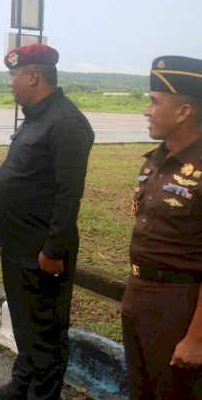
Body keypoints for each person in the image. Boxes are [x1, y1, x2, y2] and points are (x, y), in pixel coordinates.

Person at [0, 44, 94, 400]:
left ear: (33, 76)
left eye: (13, 75)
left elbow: (68, 195)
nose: (9, 83)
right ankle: (22, 385)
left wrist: (53, 249)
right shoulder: (35, 117)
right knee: (24, 323)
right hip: (18, 244)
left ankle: (42, 395)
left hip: (42, 249)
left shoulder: (67, 122)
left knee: (46, 330)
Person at [121, 55, 202, 398]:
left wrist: (197, 338)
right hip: (139, 295)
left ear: (184, 111)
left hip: (178, 306)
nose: (146, 111)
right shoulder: (157, 159)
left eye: (155, 102)